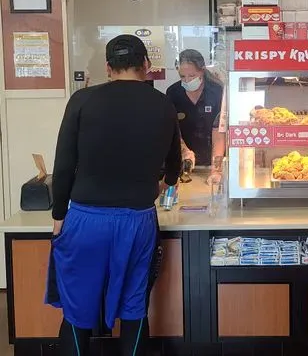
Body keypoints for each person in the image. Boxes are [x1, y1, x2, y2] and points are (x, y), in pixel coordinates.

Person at [47, 34, 182, 356]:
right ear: (146, 65)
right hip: (138, 220)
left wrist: (58, 215)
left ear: (108, 68)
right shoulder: (163, 103)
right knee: (134, 307)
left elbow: (63, 165)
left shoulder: (82, 100)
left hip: (85, 219)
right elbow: (174, 165)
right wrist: (164, 183)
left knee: (78, 306)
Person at [166, 49, 225, 177]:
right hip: (184, 161)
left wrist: (216, 170)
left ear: (202, 71)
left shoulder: (216, 92)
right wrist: (184, 150)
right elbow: (172, 128)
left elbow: (219, 133)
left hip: (213, 157)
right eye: (182, 76)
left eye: (192, 76)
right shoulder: (173, 93)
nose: (187, 80)